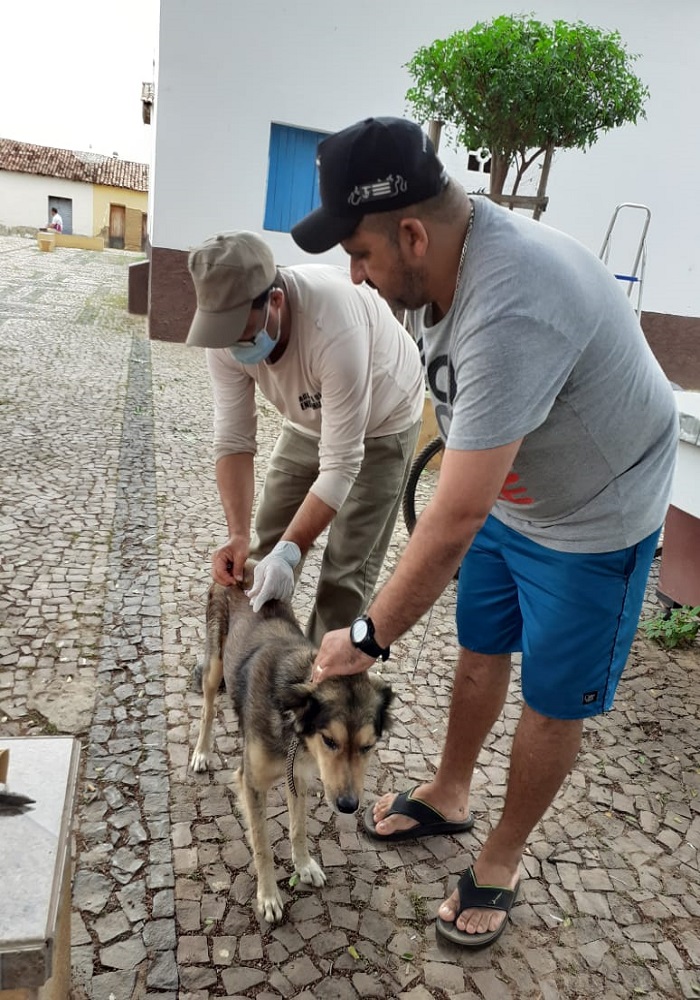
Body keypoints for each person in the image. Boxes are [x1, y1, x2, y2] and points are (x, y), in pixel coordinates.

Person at [291, 117, 678, 948]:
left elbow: (455, 514)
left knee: (551, 701)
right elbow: (461, 449)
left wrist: (365, 636)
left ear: (412, 234)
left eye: (359, 253)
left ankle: (502, 856)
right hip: (511, 496)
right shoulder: (435, 270)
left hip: (594, 519)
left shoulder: (514, 300)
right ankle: (450, 791)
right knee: (480, 646)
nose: (353, 275)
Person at [186, 230, 424, 645]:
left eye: (243, 334)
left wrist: (291, 549)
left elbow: (341, 466)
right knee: (261, 547)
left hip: (385, 419)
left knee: (345, 570)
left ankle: (318, 673)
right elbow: (234, 440)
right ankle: (250, 653)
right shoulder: (224, 334)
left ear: (275, 301)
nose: (234, 347)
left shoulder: (333, 326)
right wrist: (237, 534)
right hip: (308, 417)